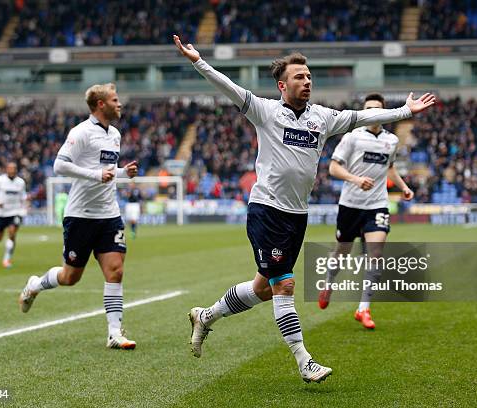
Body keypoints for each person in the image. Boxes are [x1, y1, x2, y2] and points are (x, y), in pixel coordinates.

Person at [173, 34, 435, 383]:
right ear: (283, 84)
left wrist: (405, 110)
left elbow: (360, 117)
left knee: (263, 288)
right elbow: (229, 87)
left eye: (309, 76)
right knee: (285, 286)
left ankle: (205, 316)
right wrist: (198, 61)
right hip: (266, 210)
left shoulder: (322, 118)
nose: (307, 81)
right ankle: (304, 361)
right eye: (300, 77)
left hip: (297, 216)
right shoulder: (265, 111)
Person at [18, 83, 139, 350]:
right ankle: (36, 285)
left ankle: (115, 333)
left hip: (109, 214)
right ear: (100, 104)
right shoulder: (81, 132)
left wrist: (122, 173)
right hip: (81, 216)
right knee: (71, 277)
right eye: (115, 100)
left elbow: (105, 169)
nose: (120, 104)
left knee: (115, 271)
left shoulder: (115, 134)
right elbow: (60, 165)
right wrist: (96, 175)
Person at [318, 93, 415, 330]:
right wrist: (355, 179)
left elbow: (389, 167)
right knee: (341, 253)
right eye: (368, 108)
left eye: (377, 109)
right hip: (350, 204)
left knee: (375, 254)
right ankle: (329, 282)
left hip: (377, 204)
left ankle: (363, 309)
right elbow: (333, 168)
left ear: (384, 113)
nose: (372, 112)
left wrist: (403, 187)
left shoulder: (391, 140)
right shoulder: (352, 137)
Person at [0, 163, 27, 268]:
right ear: (6, 169)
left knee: (12, 233)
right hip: (1, 213)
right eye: (10, 168)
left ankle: (7, 259)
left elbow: (23, 196)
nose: (12, 170)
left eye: (14, 168)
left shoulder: (20, 182)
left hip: (15, 212)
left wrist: (25, 203)